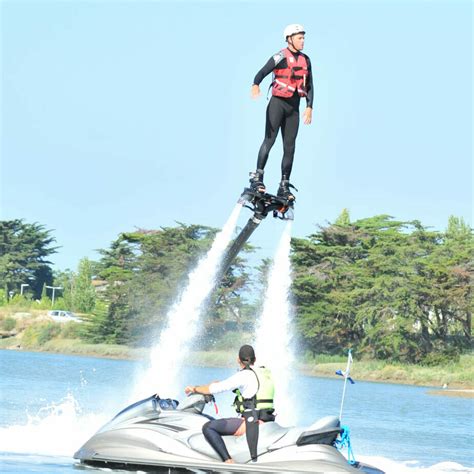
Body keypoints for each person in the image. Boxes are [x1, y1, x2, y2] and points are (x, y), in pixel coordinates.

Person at [249, 24, 314, 201]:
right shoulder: (280, 56)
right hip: (277, 104)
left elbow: (309, 86)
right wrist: (255, 85)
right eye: (299, 37)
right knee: (269, 140)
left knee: (290, 147)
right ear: (289, 39)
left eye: (303, 37)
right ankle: (257, 178)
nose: (303, 41)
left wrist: (309, 106)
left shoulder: (306, 60)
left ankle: (284, 185)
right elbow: (262, 72)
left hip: (294, 108)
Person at [184, 344, 275, 464]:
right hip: (267, 419)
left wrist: (194, 389)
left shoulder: (244, 375)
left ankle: (228, 461)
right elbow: (234, 385)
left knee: (208, 427)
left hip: (251, 423)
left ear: (238, 359)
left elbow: (214, 389)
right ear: (255, 359)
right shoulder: (262, 373)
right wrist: (218, 384)